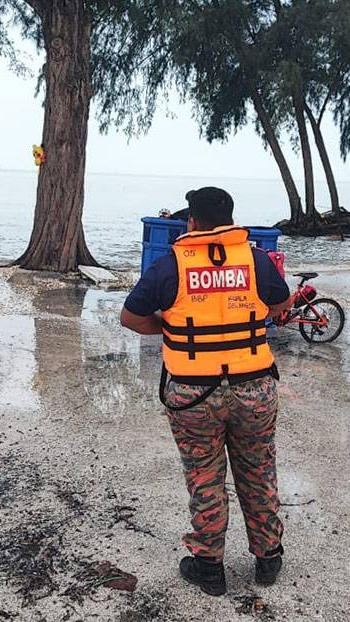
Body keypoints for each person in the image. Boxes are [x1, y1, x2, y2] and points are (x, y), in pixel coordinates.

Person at [120, 187, 293, 596]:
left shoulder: (170, 265)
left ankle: (209, 567)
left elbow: (131, 317)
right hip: (254, 389)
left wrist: (174, 329)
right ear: (231, 221)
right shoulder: (256, 260)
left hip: (193, 395)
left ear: (191, 222)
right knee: (258, 470)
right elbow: (281, 305)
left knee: (205, 477)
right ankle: (268, 559)